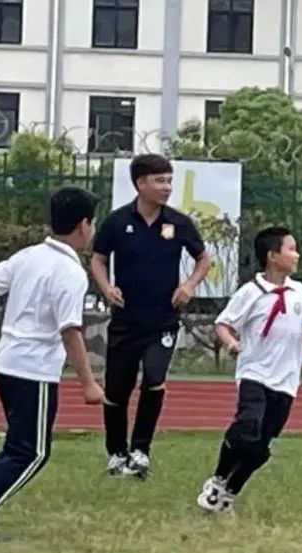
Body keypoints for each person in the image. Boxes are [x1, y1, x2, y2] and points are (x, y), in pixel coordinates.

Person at [0, 186, 107, 542]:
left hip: (6, 362)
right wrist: (88, 383)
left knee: (16, 446)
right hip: (34, 369)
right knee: (32, 452)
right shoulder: (70, 272)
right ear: (83, 225)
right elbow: (70, 330)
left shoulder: (29, 256)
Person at [90, 153, 212, 479]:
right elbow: (98, 259)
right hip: (126, 320)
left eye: (169, 180)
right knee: (117, 388)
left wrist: (188, 285)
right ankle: (117, 453)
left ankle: (141, 450)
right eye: (160, 181)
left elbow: (203, 260)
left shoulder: (178, 222)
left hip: (163, 320)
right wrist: (106, 287)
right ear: (140, 183)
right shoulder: (117, 222)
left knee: (154, 380)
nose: (167, 187)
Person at [195, 226, 302, 515]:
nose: (297, 255)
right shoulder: (251, 292)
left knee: (261, 448)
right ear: (272, 256)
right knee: (246, 429)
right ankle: (218, 478)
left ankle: (228, 495)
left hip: (286, 381)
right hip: (255, 374)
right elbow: (222, 324)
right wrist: (231, 343)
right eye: (291, 249)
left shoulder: (299, 292)